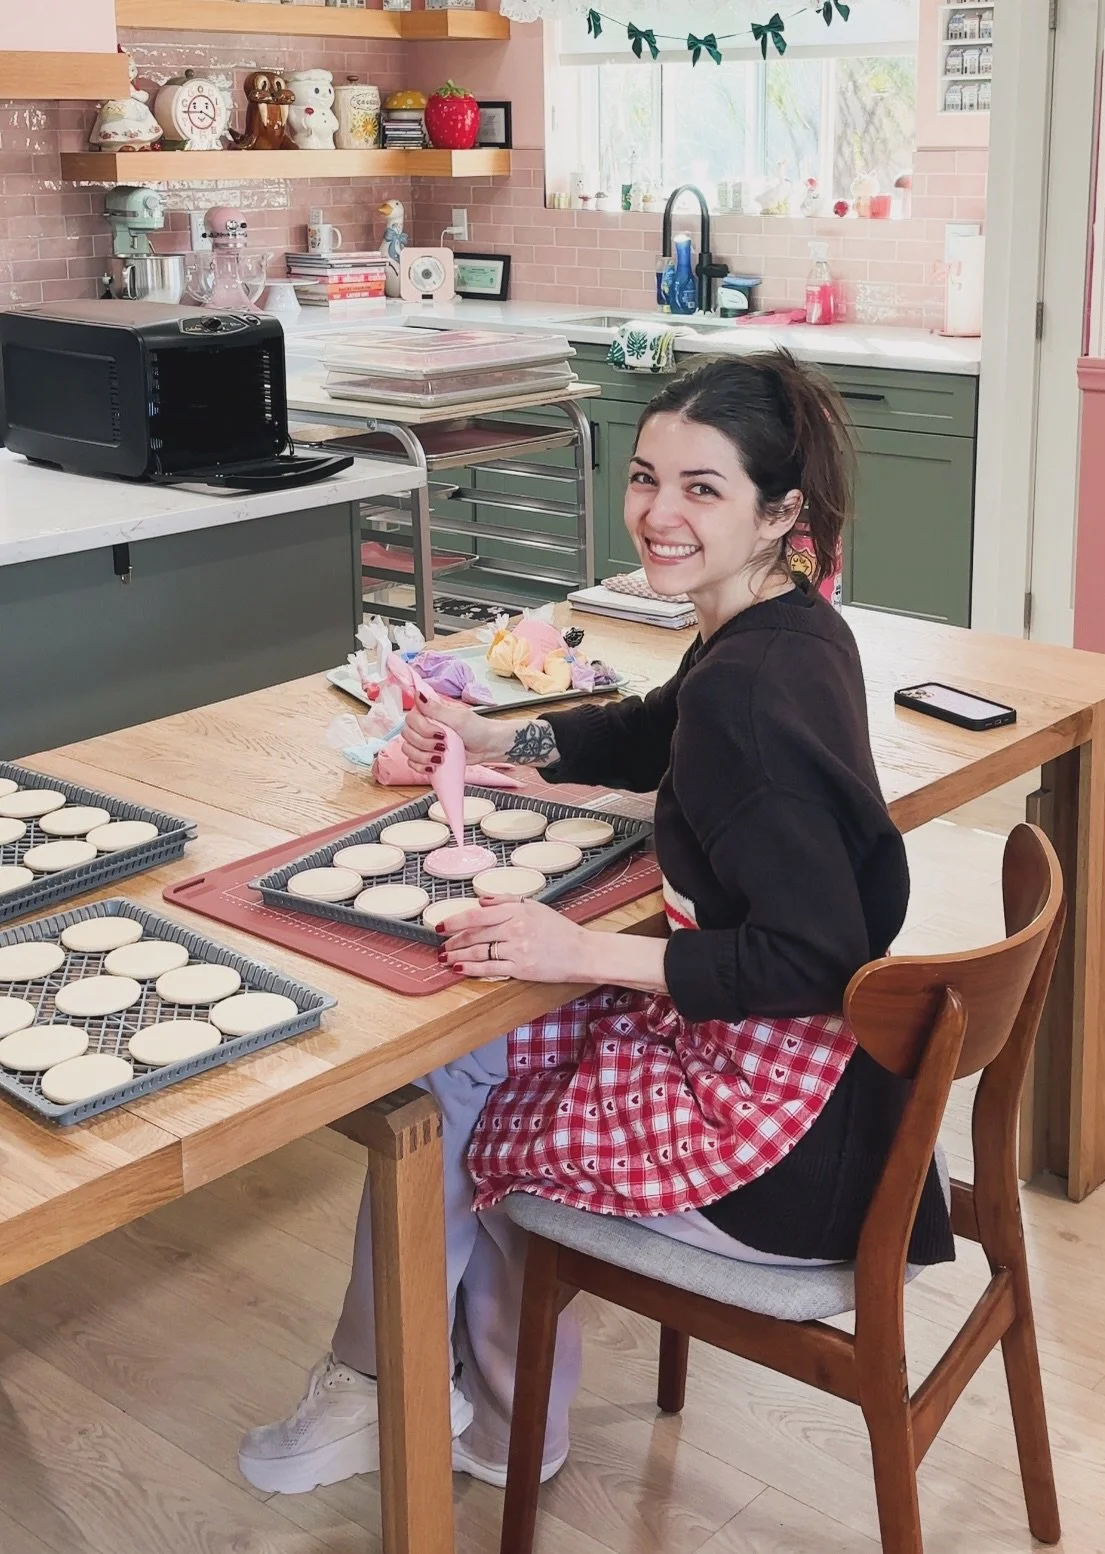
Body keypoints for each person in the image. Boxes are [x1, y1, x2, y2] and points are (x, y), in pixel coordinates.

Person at [237, 351, 954, 1496]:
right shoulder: (780, 626)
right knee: (477, 1054)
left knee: (460, 1094)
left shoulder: (749, 700)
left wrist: (576, 950)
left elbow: (812, 955)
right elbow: (653, 728)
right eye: (644, 478)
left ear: (779, 512)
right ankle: (487, 1414)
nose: (659, 514)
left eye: (702, 488)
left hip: (786, 1149)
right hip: (836, 1086)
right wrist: (498, 740)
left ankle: (397, 1393)